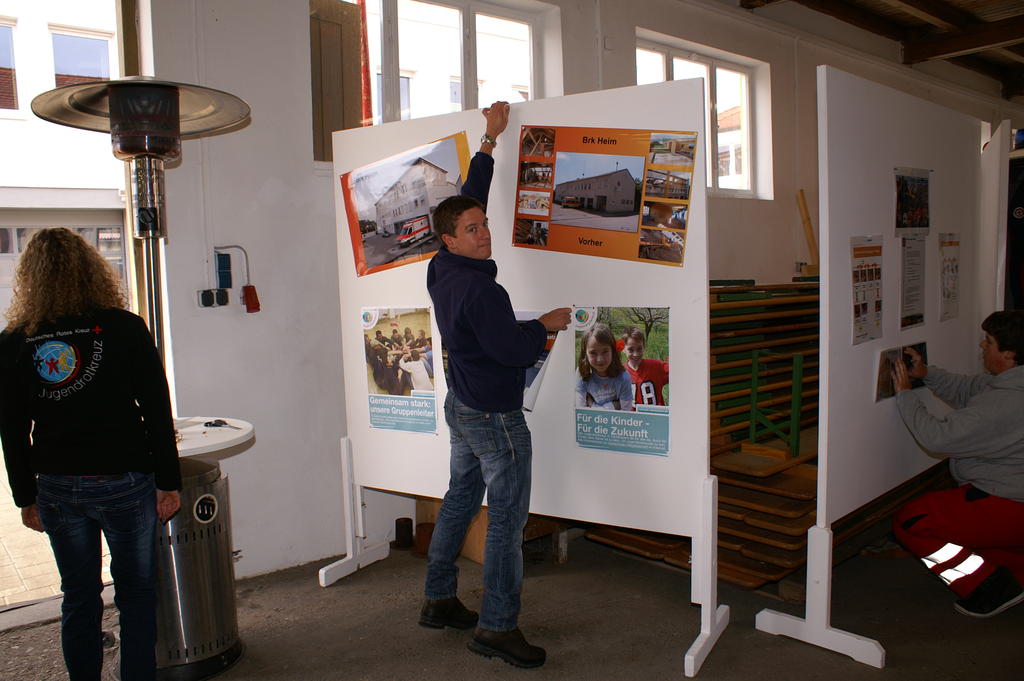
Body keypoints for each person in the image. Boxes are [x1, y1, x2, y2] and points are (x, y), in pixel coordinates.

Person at [419, 100, 571, 669]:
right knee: (506, 522)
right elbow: (513, 351)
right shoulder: (483, 291)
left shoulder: (440, 266)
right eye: (473, 230)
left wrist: (489, 141)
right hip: (494, 417)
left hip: (462, 404)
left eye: (483, 225)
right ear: (450, 239)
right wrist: (543, 325)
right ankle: (498, 627)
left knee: (460, 498)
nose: (484, 234)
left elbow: (467, 197)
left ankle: (438, 599)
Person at [0, 228, 182, 681]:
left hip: (59, 486)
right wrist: (168, 482)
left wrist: (25, 496)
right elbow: (157, 409)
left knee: (79, 596)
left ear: (30, 278)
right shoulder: (124, 327)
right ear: (91, 269)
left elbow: (12, 428)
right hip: (125, 480)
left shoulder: (14, 341)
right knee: (136, 593)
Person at [890, 310, 1024, 618]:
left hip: (1009, 504)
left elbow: (937, 438)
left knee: (911, 523)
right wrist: (926, 373)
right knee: (983, 537)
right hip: (1017, 502)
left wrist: (905, 395)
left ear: (1009, 354)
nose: (982, 346)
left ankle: (986, 587)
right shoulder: (1010, 384)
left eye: (989, 341)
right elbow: (969, 389)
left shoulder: (1004, 403)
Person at [575, 323, 634, 411]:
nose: (600, 359)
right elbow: (580, 410)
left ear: (613, 351)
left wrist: (593, 406)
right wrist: (614, 406)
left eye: (605, 352)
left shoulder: (623, 377)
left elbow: (626, 412)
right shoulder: (582, 373)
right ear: (585, 353)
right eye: (593, 353)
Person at [621, 326, 669, 406]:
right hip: (632, 414)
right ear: (623, 348)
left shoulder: (656, 366)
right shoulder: (620, 372)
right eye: (631, 350)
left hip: (656, 414)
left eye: (639, 349)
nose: (636, 354)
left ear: (644, 346)